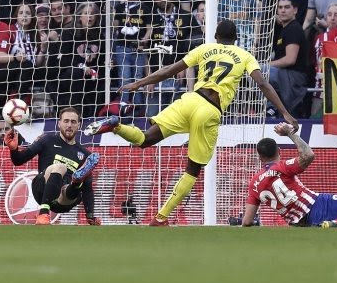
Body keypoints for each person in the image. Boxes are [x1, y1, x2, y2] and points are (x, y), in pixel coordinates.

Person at [85, 19, 298, 225]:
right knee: (192, 170)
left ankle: (116, 125)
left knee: (145, 139)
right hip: (209, 110)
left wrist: (138, 83)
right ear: (236, 39)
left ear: (215, 37)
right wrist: (285, 113)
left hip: (190, 100)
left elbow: (168, 71)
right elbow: (262, 84)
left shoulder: (204, 49)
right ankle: (161, 217)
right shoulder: (244, 55)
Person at [6, 106, 101, 225]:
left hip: (63, 200)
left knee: (76, 185)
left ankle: (76, 183)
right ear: (59, 123)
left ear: (79, 125)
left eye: (73, 122)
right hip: (42, 189)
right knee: (60, 167)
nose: (69, 125)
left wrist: (90, 215)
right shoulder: (47, 139)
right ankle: (43, 214)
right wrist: (13, 149)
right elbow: (19, 161)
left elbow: (88, 189)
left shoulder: (85, 154)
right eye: (66, 121)